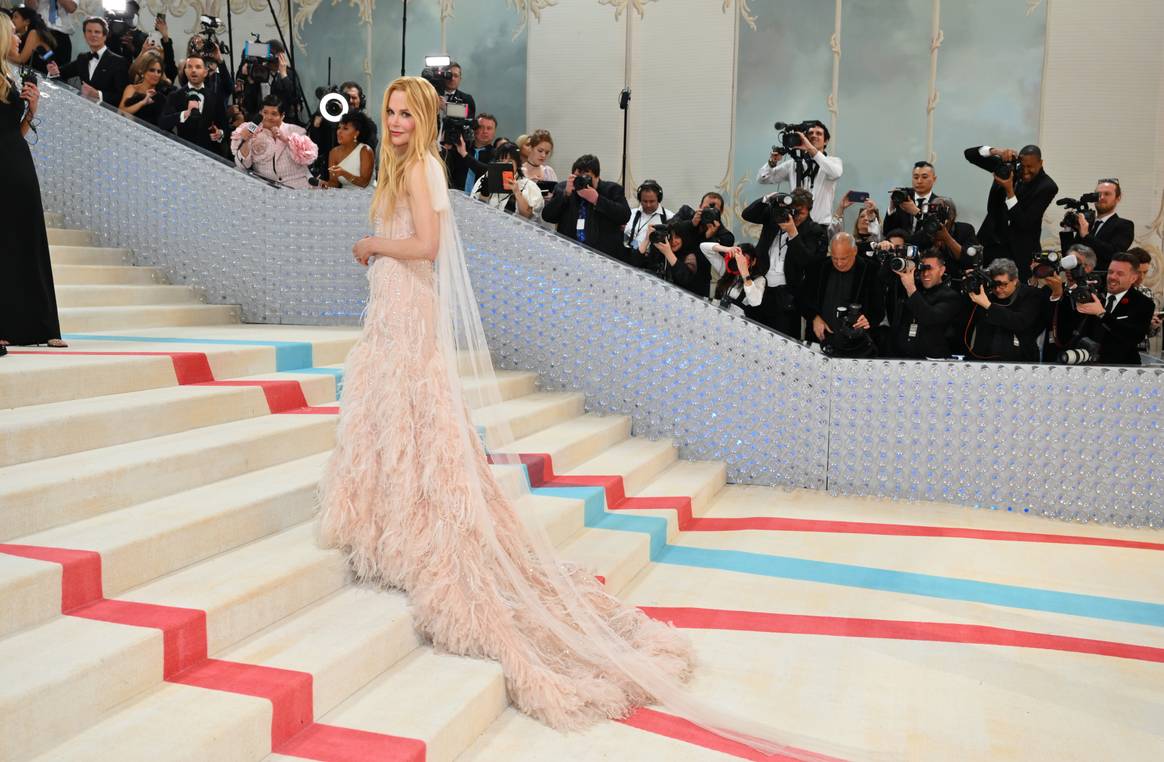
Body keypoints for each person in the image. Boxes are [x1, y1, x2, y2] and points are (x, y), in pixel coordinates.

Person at [0, 13, 66, 353]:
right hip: (3, 167)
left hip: (18, 163)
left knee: (29, 240)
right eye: (12, 33)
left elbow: (16, 132)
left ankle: (40, 324)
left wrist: (31, 111)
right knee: (4, 244)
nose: (18, 38)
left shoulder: (8, 78)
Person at [741, 187, 826, 340]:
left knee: (783, 342)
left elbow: (805, 261)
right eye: (793, 210)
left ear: (809, 210)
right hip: (761, 289)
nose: (795, 216)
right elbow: (747, 214)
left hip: (786, 297)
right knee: (754, 338)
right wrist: (767, 198)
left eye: (800, 212)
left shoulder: (814, 230)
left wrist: (793, 232)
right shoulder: (776, 216)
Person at [963, 144, 1058, 281]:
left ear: (1041, 163)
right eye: (1023, 165)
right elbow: (970, 154)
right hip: (990, 244)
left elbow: (1024, 222)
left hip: (1019, 252)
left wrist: (1009, 191)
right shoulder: (1009, 168)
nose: (1025, 171)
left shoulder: (1047, 187)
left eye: (1030, 167)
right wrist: (997, 152)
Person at [798, 232, 884, 357]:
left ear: (854, 251)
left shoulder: (871, 270)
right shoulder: (818, 267)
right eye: (834, 258)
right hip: (821, 341)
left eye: (844, 258)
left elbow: (878, 310)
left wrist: (867, 320)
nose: (839, 263)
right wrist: (814, 317)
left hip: (856, 346)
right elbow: (802, 298)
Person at [541, 154, 631, 259]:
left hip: (603, 256)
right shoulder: (563, 188)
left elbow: (625, 216)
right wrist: (565, 195)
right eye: (579, 177)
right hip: (569, 254)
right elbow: (547, 216)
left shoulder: (612, 189)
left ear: (597, 176)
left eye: (587, 177)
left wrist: (597, 200)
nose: (583, 181)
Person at [1072, 251, 1154, 365]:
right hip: (1084, 364)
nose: (1112, 277)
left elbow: (1133, 336)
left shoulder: (1143, 303)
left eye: (1120, 274)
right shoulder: (1093, 293)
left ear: (1133, 278)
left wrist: (1102, 314)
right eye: (1110, 272)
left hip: (1122, 368)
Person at [756, 120, 842, 224]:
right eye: (810, 133)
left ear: (826, 141)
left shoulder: (834, 162)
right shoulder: (794, 163)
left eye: (818, 133)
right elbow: (762, 179)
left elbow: (835, 173)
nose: (814, 136)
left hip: (821, 225)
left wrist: (810, 148)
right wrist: (772, 162)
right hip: (796, 224)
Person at [963, 258, 1043, 362]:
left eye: (1003, 284)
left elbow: (1019, 322)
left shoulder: (1031, 295)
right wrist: (972, 282)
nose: (997, 289)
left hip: (1019, 360)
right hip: (983, 359)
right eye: (994, 284)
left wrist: (988, 305)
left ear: (1015, 280)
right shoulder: (986, 294)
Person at [231, 93, 318, 188]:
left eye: (274, 114)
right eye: (265, 112)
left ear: (282, 116)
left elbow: (309, 158)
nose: (268, 117)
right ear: (260, 113)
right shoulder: (249, 129)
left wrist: (285, 139)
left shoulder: (296, 131)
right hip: (267, 188)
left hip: (299, 185)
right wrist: (246, 141)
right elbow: (242, 166)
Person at [889, 251, 962, 359]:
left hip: (933, 361)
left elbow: (930, 317)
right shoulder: (912, 287)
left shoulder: (951, 296)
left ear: (942, 270)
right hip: (901, 358)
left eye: (930, 268)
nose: (926, 273)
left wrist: (911, 288)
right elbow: (883, 278)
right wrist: (892, 256)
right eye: (923, 268)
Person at [47, 16, 128, 107]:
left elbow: (122, 96)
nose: (92, 35)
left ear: (105, 36)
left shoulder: (118, 62)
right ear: (85, 35)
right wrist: (53, 71)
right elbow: (61, 73)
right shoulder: (82, 58)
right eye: (89, 31)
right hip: (81, 107)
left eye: (97, 32)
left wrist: (98, 94)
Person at [1058, 179, 1134, 272]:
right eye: (1098, 194)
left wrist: (1086, 236)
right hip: (1077, 279)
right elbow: (1069, 256)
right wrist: (1068, 229)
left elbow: (1113, 254)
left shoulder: (1124, 225)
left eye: (1107, 194)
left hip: (1103, 281)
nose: (1101, 197)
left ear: (1118, 198)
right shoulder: (1086, 224)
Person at [159, 53, 227, 154]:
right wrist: (185, 113)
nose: (193, 70)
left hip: (209, 154)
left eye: (198, 67)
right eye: (190, 67)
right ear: (185, 71)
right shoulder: (175, 96)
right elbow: (163, 123)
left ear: (205, 72)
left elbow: (224, 125)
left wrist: (220, 134)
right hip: (182, 152)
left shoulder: (215, 97)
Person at [470, 141, 544, 219]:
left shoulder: (528, 186)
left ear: (517, 164)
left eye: (510, 162)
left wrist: (517, 192)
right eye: (501, 161)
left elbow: (528, 216)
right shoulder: (486, 177)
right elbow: (477, 208)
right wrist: (485, 191)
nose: (504, 165)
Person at [703, 242, 768, 316]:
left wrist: (745, 273)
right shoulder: (728, 268)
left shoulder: (759, 279)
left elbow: (755, 301)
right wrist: (727, 249)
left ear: (753, 262)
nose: (739, 262)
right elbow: (704, 247)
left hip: (737, 320)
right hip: (717, 313)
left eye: (743, 259)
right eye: (738, 258)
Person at [323, 110, 374, 190]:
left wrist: (344, 173)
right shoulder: (334, 152)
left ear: (356, 133)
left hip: (366, 195)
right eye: (339, 128)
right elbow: (334, 183)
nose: (339, 132)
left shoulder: (365, 150)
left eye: (345, 129)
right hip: (344, 197)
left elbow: (364, 183)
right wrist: (323, 185)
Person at [882, 161, 938, 234]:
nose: (919, 181)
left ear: (934, 179)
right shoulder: (903, 200)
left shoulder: (938, 202)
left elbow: (936, 232)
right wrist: (891, 208)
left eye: (924, 177)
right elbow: (887, 232)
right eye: (916, 177)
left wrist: (916, 212)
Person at [118, 49, 171, 125]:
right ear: (142, 71)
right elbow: (121, 112)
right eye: (152, 70)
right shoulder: (132, 88)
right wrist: (142, 103)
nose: (156, 74)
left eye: (159, 71)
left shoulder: (162, 94)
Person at [447, 112, 496, 194]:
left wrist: (465, 155)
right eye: (481, 127)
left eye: (489, 128)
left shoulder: (497, 153)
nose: (485, 131)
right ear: (474, 128)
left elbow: (488, 172)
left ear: (494, 132)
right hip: (455, 198)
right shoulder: (460, 147)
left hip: (481, 203)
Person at [623, 179, 672, 257]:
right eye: (645, 201)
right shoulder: (631, 214)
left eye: (652, 201)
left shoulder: (669, 217)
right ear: (640, 199)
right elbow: (626, 239)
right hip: (633, 259)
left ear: (658, 199)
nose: (648, 205)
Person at [10, 7, 55, 74]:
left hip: (43, 77)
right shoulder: (22, 35)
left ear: (27, 21)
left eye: (16, 17)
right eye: (12, 17)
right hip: (32, 74)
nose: (12, 20)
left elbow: (21, 60)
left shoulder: (34, 33)